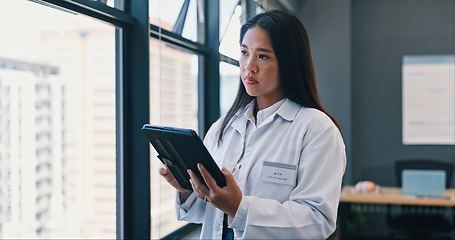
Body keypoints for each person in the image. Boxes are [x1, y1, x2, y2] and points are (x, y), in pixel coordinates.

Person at [159, 9, 346, 239]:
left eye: (263, 56)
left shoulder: (317, 130)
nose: (249, 66)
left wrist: (239, 208)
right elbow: (207, 214)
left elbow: (317, 221)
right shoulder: (222, 128)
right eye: (244, 53)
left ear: (290, 62)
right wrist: (187, 189)